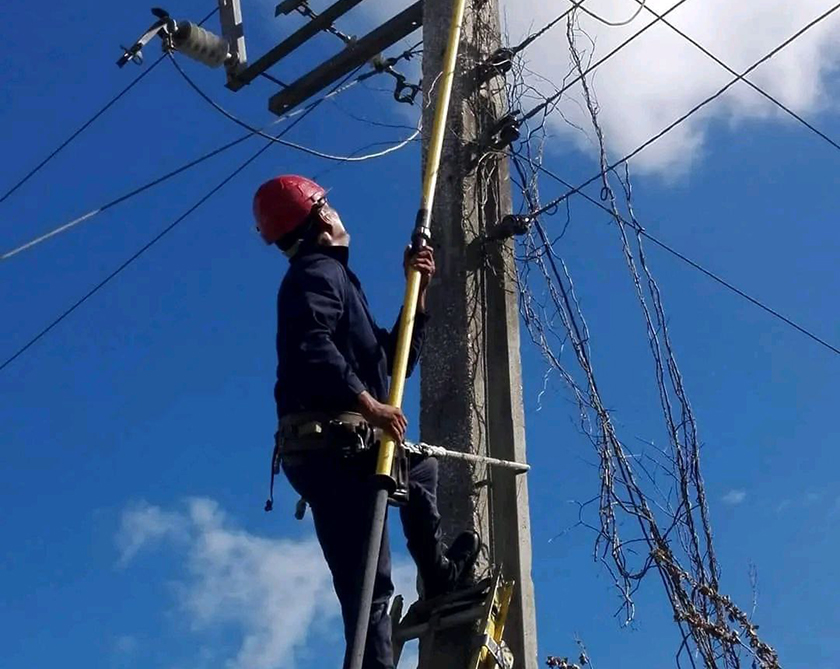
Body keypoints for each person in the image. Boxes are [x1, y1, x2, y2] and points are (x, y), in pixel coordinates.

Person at [253, 175, 480, 669]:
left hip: (335, 446)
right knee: (369, 589)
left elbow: (387, 365)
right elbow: (313, 347)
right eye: (329, 207)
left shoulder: (334, 281)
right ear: (319, 219)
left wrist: (414, 294)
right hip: (332, 447)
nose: (338, 213)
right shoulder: (315, 274)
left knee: (419, 472)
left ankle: (438, 576)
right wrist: (370, 406)